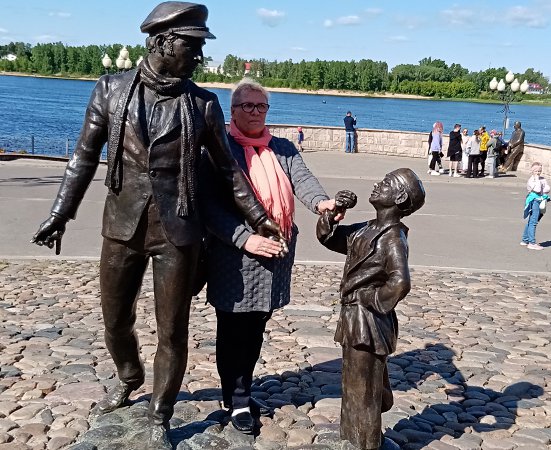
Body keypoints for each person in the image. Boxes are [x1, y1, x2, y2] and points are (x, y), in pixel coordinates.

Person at [30, 3, 282, 448]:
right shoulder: (111, 89)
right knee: (115, 321)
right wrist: (60, 213)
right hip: (122, 225)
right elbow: (84, 156)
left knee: (172, 330)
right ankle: (129, 375)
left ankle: (159, 412)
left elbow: (228, 171)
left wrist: (259, 218)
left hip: (178, 231)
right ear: (164, 42)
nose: (199, 56)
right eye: (193, 45)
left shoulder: (202, 103)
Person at [202, 79, 340, 435]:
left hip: (275, 255)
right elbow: (210, 206)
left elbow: (303, 181)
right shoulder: (220, 148)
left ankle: (242, 391)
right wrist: (246, 239)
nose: (254, 112)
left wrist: (323, 204)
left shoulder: (282, 148)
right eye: (247, 105)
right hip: (234, 257)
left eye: (260, 106)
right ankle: (236, 400)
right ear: (233, 111)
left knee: (255, 329)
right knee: (233, 331)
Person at [316, 169, 426, 450]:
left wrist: (370, 299)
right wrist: (333, 213)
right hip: (354, 318)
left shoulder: (392, 238)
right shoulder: (366, 229)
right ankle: (350, 437)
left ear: (399, 197)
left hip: (369, 321)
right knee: (352, 382)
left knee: (363, 387)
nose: (378, 184)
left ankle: (366, 443)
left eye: (387, 183)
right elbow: (330, 238)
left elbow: (400, 282)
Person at [521, 162, 551, 250]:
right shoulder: (531, 180)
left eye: (539, 171)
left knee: (533, 220)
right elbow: (538, 189)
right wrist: (537, 180)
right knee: (533, 221)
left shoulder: (543, 179)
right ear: (532, 171)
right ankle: (532, 243)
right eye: (536, 171)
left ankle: (525, 239)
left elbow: (547, 189)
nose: (538, 173)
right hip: (534, 201)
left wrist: (542, 184)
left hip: (541, 200)